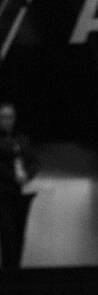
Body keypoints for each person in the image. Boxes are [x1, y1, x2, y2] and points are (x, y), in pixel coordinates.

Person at [0, 102, 38, 269]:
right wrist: (13, 176)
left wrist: (26, 176)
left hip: (19, 193)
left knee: (18, 235)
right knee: (7, 234)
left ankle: (15, 271)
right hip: (3, 192)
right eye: (3, 117)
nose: (7, 120)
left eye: (10, 117)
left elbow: (34, 162)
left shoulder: (22, 139)